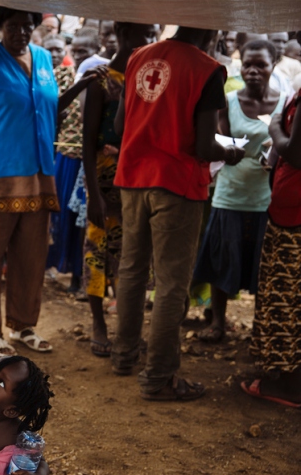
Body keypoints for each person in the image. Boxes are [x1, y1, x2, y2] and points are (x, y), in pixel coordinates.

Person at [0, 6, 99, 357]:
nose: (21, 33)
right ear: (0, 27)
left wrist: (80, 87)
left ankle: (22, 326)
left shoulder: (44, 58)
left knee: (31, 256)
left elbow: (46, 108)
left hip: (39, 175)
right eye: (13, 27)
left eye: (27, 27)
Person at [111, 26, 245, 401]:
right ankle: (159, 377)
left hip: (133, 176)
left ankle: (124, 356)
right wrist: (231, 152)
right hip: (176, 183)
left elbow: (121, 126)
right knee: (171, 283)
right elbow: (204, 144)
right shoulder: (207, 69)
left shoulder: (139, 56)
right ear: (212, 27)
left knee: (132, 270)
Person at [192, 40, 288, 343]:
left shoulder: (285, 102)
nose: (253, 71)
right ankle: (218, 323)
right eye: (248, 64)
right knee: (223, 260)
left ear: (274, 65)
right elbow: (219, 139)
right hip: (230, 196)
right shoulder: (229, 100)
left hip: (266, 199)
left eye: (261, 64)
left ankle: (260, 326)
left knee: (263, 267)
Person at [81, 22, 158, 357]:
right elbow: (86, 142)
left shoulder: (148, 78)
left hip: (139, 180)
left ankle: (128, 327)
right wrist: (93, 193)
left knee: (134, 255)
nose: (152, 41)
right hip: (105, 180)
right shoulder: (103, 80)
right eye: (147, 35)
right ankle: (99, 324)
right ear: (126, 35)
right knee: (97, 251)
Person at [241, 85, 301, 408]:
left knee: (288, 297)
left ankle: (292, 385)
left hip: (295, 215)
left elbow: (296, 152)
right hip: (289, 209)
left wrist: (275, 125)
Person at [43, 33, 88, 295]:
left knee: (75, 217)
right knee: (57, 214)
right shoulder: (47, 77)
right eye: (49, 50)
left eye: (59, 49)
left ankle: (75, 274)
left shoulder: (74, 76)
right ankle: (51, 266)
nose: (55, 54)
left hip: (76, 154)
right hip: (59, 153)